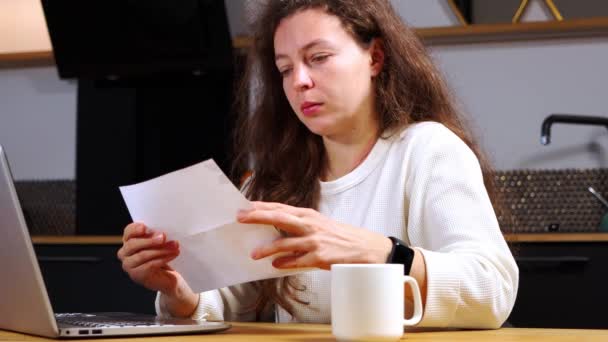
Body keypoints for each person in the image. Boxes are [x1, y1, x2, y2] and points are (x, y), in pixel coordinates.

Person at [117, 0, 518, 329]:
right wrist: (179, 290)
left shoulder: (427, 150)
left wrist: (379, 252)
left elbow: (493, 288)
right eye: (285, 69)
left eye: (319, 58)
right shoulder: (270, 182)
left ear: (375, 57)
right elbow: (228, 302)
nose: (300, 81)